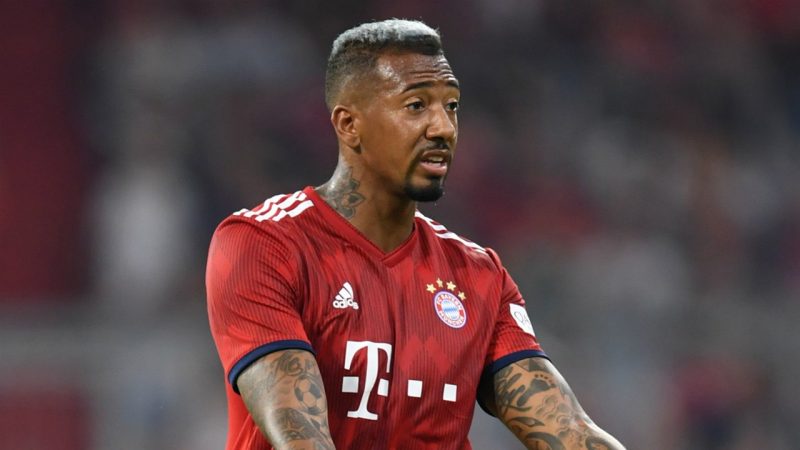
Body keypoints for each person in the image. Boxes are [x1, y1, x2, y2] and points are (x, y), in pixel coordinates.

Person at [206, 19, 625, 450]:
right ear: (349, 125)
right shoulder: (264, 244)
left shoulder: (478, 276)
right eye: (416, 105)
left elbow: (570, 431)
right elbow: (301, 437)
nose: (443, 128)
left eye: (452, 106)